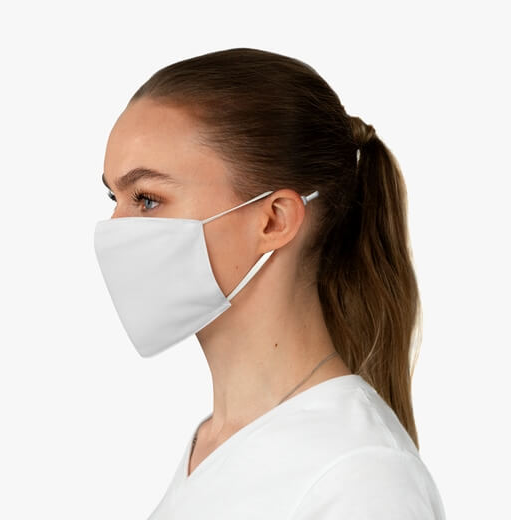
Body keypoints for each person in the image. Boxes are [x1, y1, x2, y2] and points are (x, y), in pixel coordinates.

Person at [93, 48, 446, 519]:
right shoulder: (218, 441)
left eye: (147, 199)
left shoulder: (360, 478)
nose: (115, 230)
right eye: (113, 197)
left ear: (274, 220)